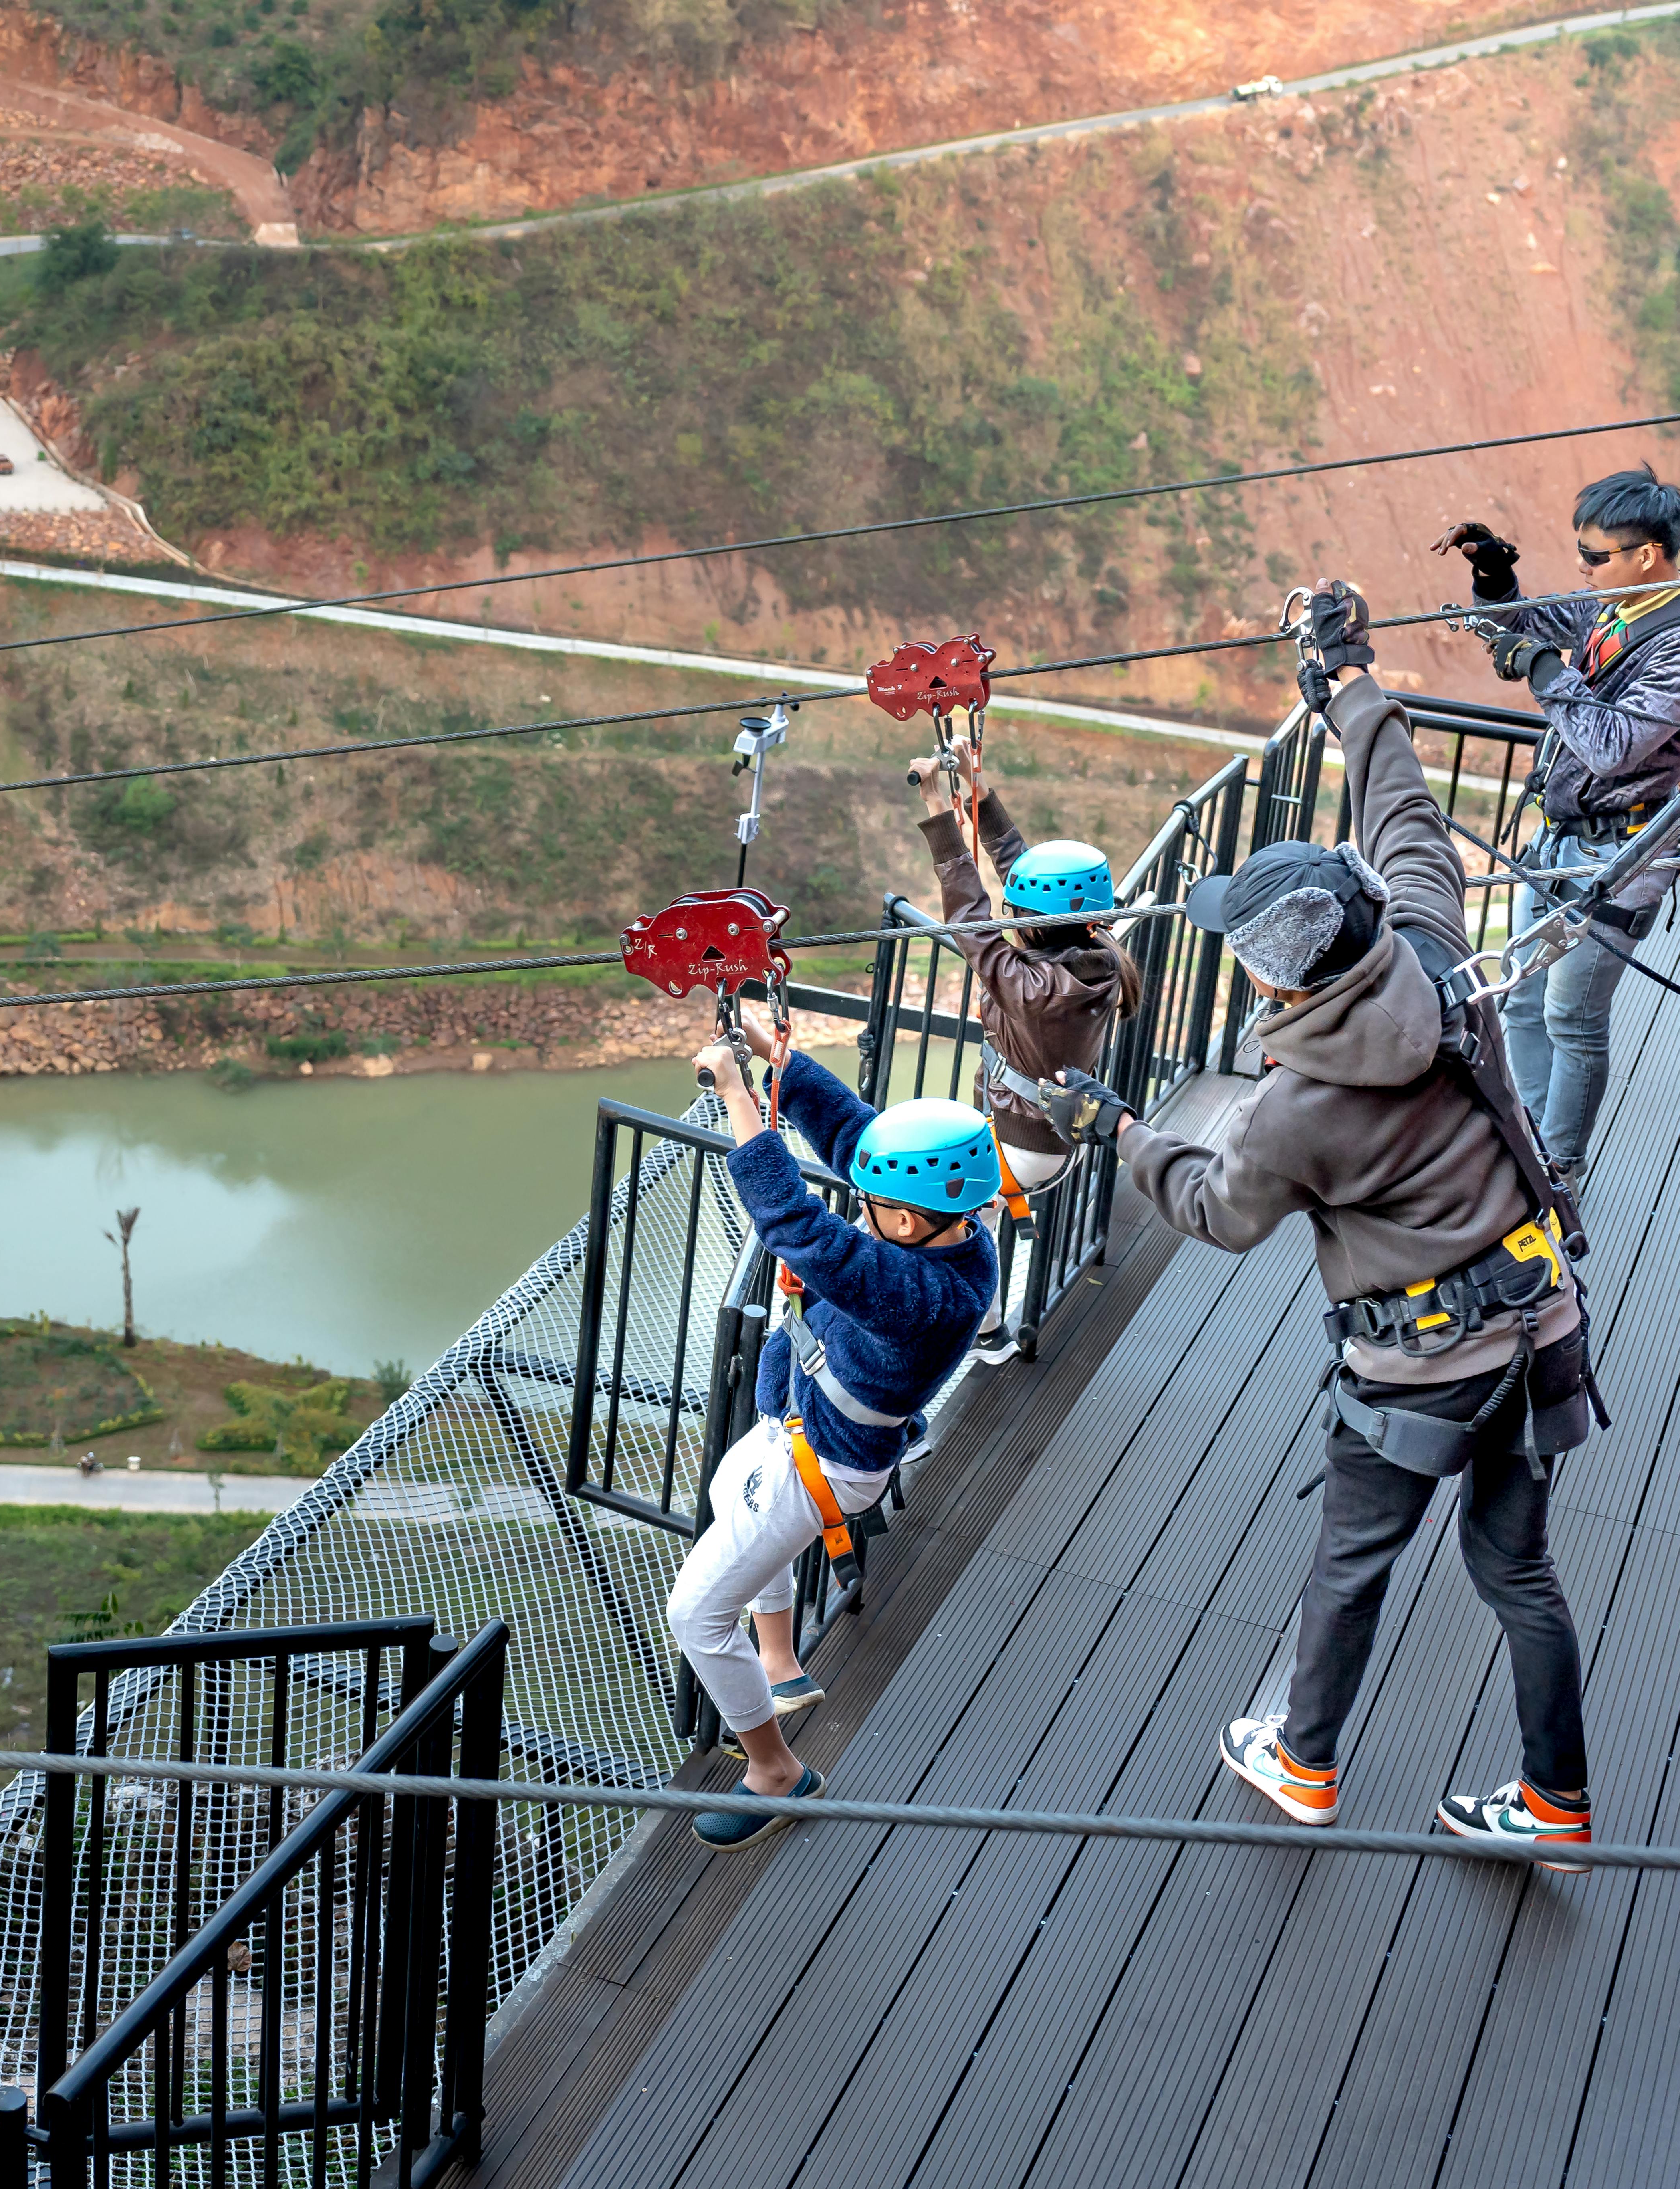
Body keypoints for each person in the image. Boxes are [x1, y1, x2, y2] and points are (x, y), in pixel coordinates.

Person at [1089, 580, 1604, 1869]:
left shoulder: (1290, 1110)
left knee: (1351, 1563)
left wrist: (1122, 1132)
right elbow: (1406, 803)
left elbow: (1214, 1210)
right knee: (1519, 1573)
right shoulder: (1430, 943)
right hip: (1538, 1323)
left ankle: (1304, 1760)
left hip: (1420, 1368)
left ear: (1272, 973)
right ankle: (1555, 1800)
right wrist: (1349, 677)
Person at [666, 1013, 996, 1850]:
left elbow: (798, 1228)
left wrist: (741, 1097)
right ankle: (778, 1664)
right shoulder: (956, 1230)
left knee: (696, 1616)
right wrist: (785, 1062)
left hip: (822, 1458)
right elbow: (858, 1141)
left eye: (877, 1205)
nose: (864, 1205)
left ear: (912, 1220)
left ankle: (776, 1771)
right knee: (723, 1499)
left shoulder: (923, 1297)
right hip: (806, 1427)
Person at [1432, 465, 1680, 1193]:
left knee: (1572, 1015)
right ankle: (1523, 1139)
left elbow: (1611, 744)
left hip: (1618, 856)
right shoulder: (1622, 601)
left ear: (1647, 554)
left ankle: (1558, 1168)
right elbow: (1525, 628)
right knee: (1521, 999)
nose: (1584, 568)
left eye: (1596, 557)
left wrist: (1546, 672)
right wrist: (1495, 577)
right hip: (1559, 835)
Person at [914, 747, 1142, 1363]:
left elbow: (970, 917)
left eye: (1018, 916)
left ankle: (962, 1335)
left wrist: (939, 808)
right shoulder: (1099, 949)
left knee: (937, 1217)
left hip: (1021, 1143)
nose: (1010, 919)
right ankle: (988, 1331)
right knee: (967, 1220)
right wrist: (978, 792)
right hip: (1048, 1132)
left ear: (1035, 928)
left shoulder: (1034, 988)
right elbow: (1020, 867)